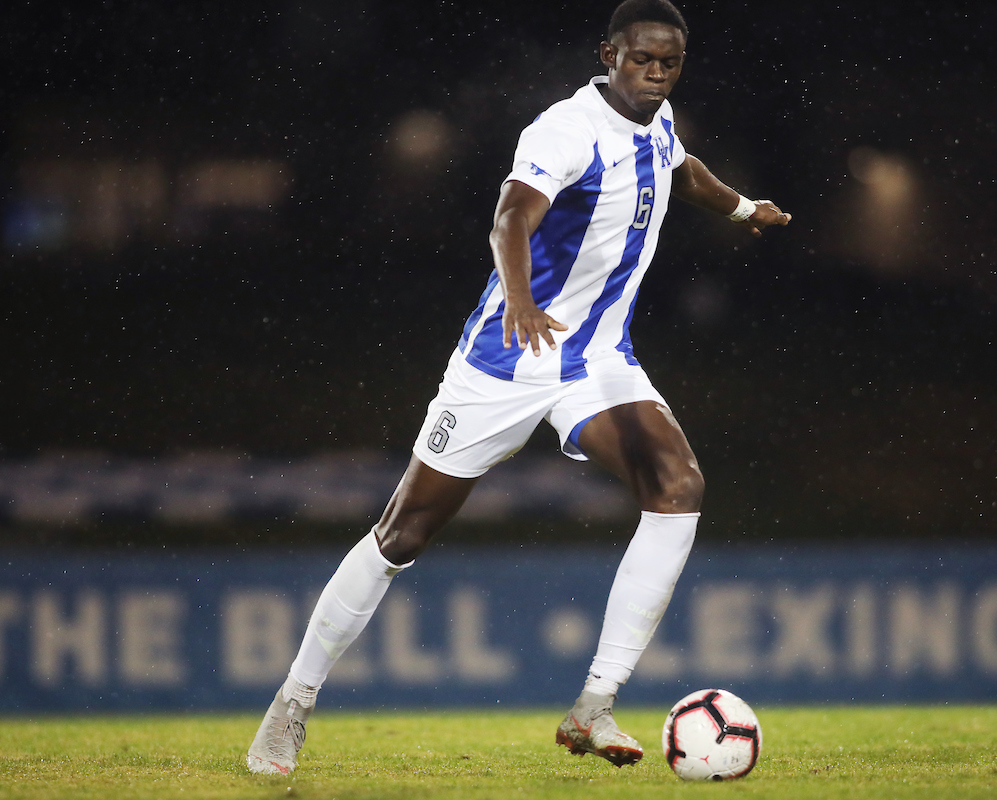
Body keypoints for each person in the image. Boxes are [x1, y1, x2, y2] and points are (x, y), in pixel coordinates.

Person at [247, 0, 790, 775]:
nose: (657, 74)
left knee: (679, 485)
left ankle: (593, 707)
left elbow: (682, 170)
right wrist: (523, 299)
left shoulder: (659, 120)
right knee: (402, 534)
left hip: (596, 358)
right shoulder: (563, 130)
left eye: (670, 63)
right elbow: (511, 218)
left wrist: (742, 208)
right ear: (609, 53)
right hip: (507, 359)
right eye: (643, 60)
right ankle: (292, 703)